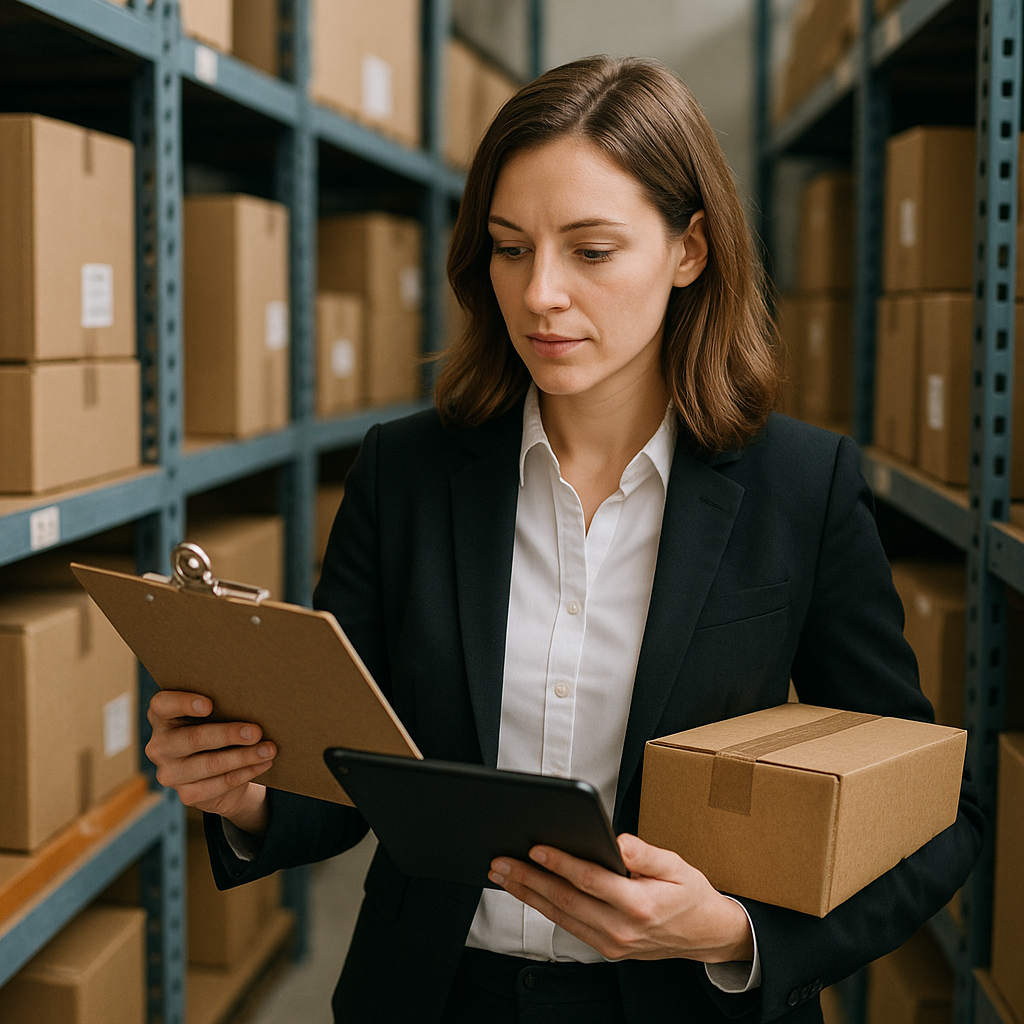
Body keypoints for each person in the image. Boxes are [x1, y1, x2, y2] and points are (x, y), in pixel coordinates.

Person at [146, 55, 983, 1023]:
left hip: (682, 1004)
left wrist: (732, 931)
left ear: (689, 250)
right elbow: (343, 777)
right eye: (510, 247)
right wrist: (242, 788)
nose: (539, 293)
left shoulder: (802, 488)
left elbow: (940, 817)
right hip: (434, 995)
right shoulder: (406, 473)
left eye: (590, 251)